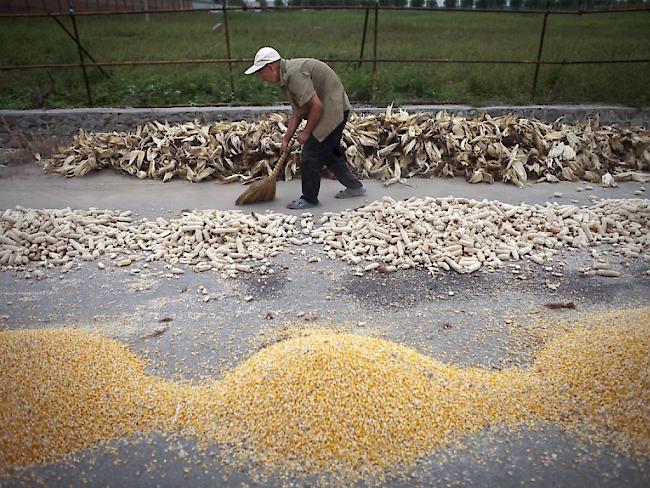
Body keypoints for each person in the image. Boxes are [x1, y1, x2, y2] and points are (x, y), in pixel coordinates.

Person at [244, 47, 366, 209]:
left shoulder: (295, 75)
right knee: (329, 152)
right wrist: (286, 138)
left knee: (311, 154)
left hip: (333, 110)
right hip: (332, 108)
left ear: (270, 67)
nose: (261, 77)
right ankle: (354, 187)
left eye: (261, 72)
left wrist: (307, 132)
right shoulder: (286, 77)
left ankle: (309, 198)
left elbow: (316, 106)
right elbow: (298, 112)